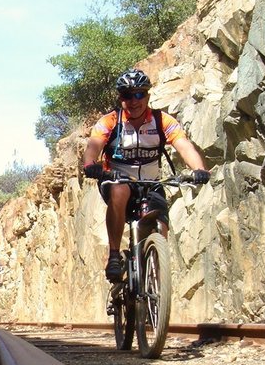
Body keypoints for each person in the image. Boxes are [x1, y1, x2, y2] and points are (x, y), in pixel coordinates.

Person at [82, 68, 210, 282]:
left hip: (151, 183)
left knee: (161, 227)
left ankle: (154, 279)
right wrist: (90, 165)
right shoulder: (110, 122)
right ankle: (114, 255)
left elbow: (184, 146)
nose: (134, 101)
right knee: (120, 190)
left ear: (148, 96)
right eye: (127, 96)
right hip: (117, 180)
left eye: (139, 94)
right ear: (120, 98)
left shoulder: (162, 121)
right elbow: (92, 147)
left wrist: (199, 170)